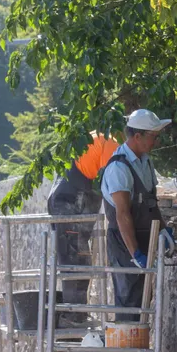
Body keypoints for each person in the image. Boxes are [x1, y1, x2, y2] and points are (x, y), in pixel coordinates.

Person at [101, 109, 174, 320]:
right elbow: (122, 215)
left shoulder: (146, 161)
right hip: (125, 242)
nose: (156, 142)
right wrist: (135, 254)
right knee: (129, 302)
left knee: (143, 302)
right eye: (153, 137)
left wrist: (164, 229)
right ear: (137, 136)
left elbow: (151, 202)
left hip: (144, 238)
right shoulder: (118, 168)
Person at [47, 132, 119, 315]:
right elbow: (112, 187)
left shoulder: (99, 138)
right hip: (68, 200)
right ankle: (73, 315)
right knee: (74, 260)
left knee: (81, 259)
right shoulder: (110, 145)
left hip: (67, 196)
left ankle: (76, 314)